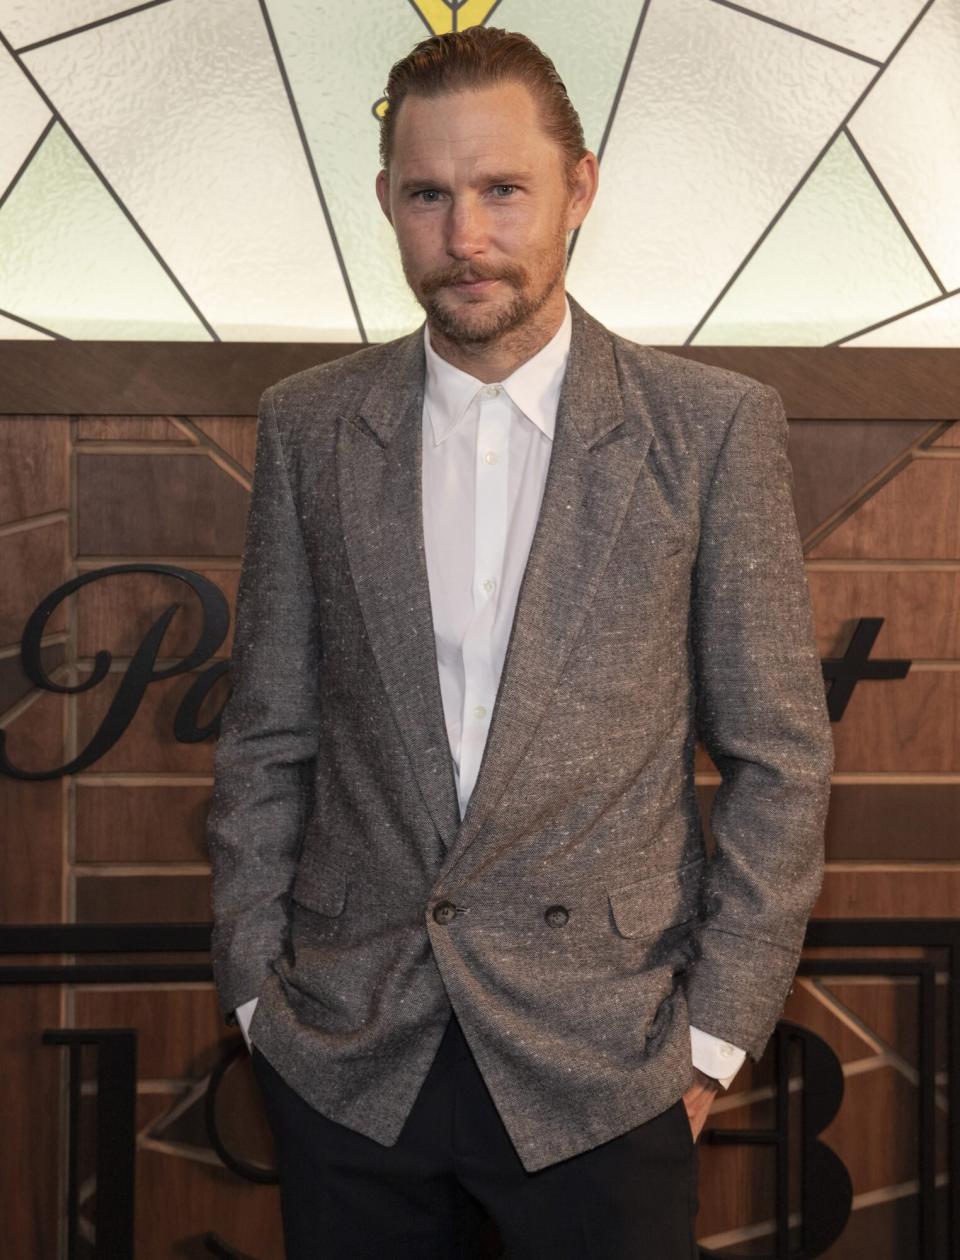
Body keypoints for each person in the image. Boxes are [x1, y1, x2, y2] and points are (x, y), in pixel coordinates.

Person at [206, 25, 833, 1260]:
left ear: (579, 188)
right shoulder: (309, 427)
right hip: (348, 1053)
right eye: (430, 195)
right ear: (388, 201)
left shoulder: (708, 432)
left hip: (608, 1063)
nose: (467, 236)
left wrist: (708, 1043)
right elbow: (267, 735)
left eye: (504, 189)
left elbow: (778, 757)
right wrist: (252, 991)